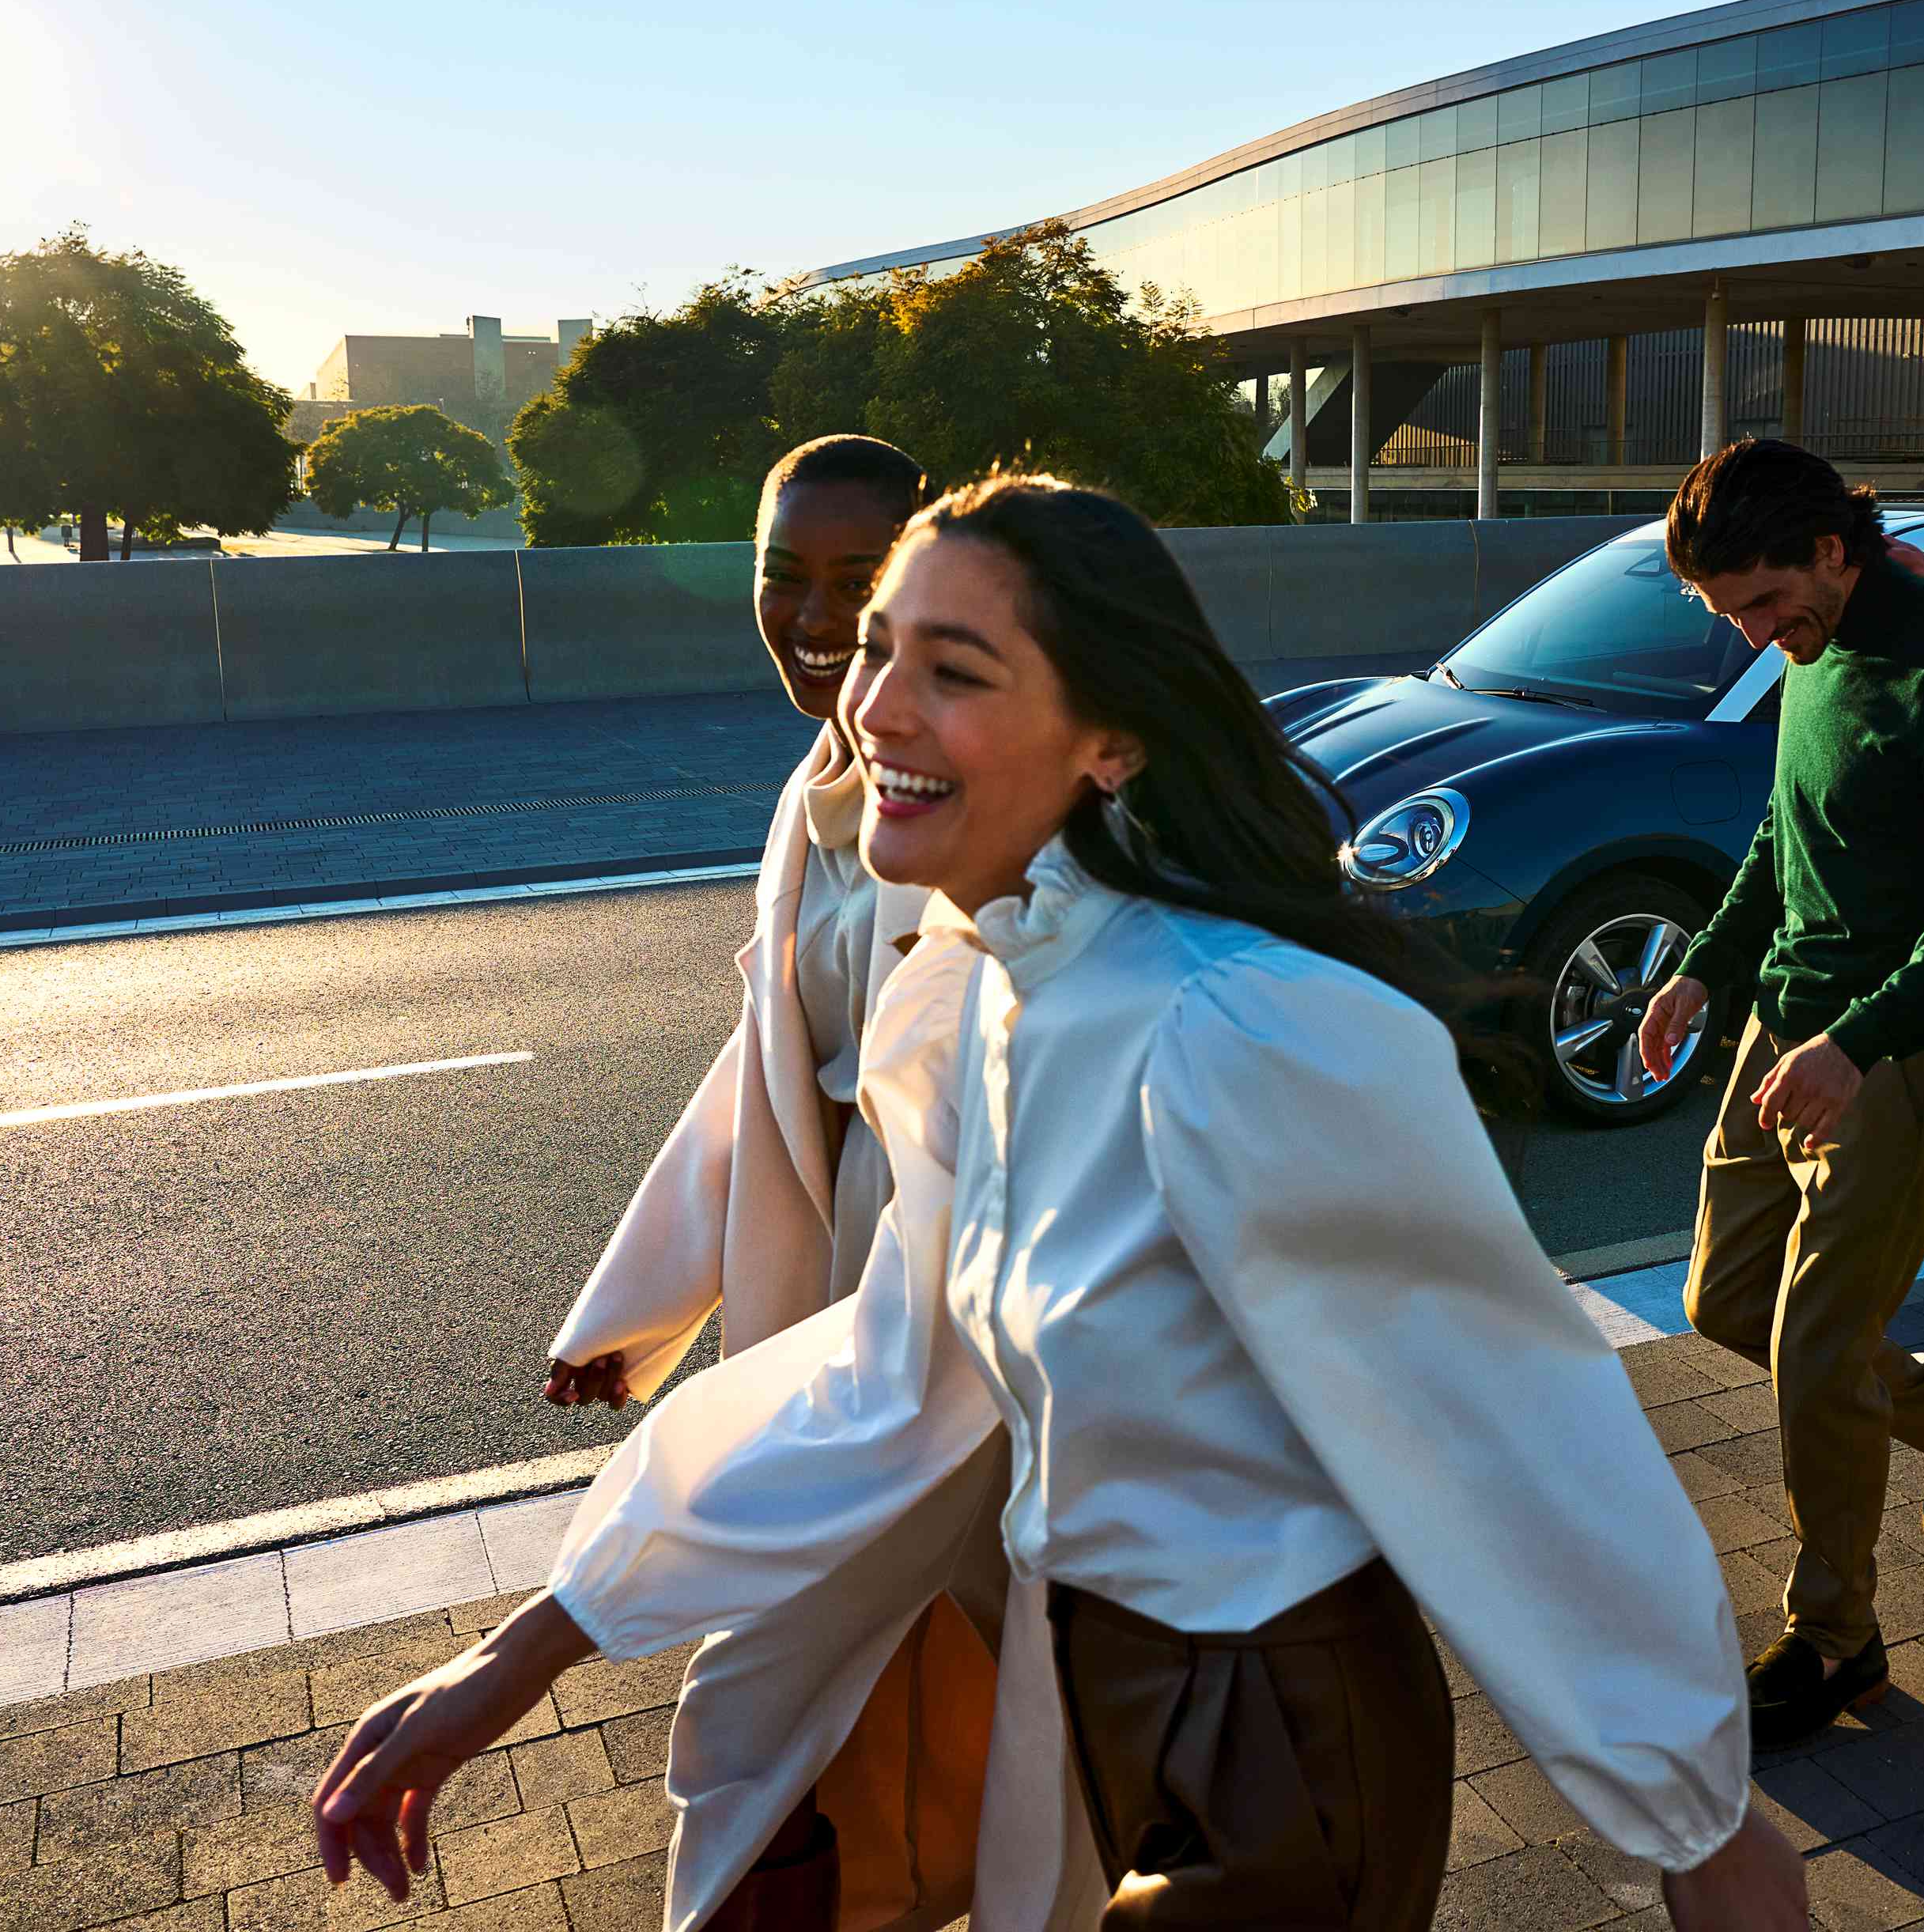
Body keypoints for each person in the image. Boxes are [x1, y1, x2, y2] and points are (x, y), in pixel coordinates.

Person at [315, 477, 1815, 1930]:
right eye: (884, 649)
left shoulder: (1239, 1025)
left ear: (1111, 739)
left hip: (1277, 1759)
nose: (875, 705)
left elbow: (1509, 1430)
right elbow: (889, 1374)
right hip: (1110, 1708)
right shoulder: (979, 999)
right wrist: (527, 1649)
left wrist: (1697, 1825)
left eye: (949, 668)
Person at [540, 433, 1041, 1932]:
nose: (814, 616)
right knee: (845, 1695)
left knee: (788, 1687)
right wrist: (635, 1306)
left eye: (857, 581)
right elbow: (770, 1064)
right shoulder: (817, 784)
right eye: (784, 577)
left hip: (964, 1341)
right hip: (845, 1317)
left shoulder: (976, 793)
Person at [1631, 439, 1924, 1749]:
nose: (1756, 635)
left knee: (1814, 1354)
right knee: (1723, 1299)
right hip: (1778, 1034)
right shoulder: (1814, 654)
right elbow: (1783, 832)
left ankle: (1837, 1639)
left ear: (1829, 545)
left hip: (1889, 1065)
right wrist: (1706, 967)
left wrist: (1857, 1045)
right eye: (1729, 617)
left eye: (1763, 604)